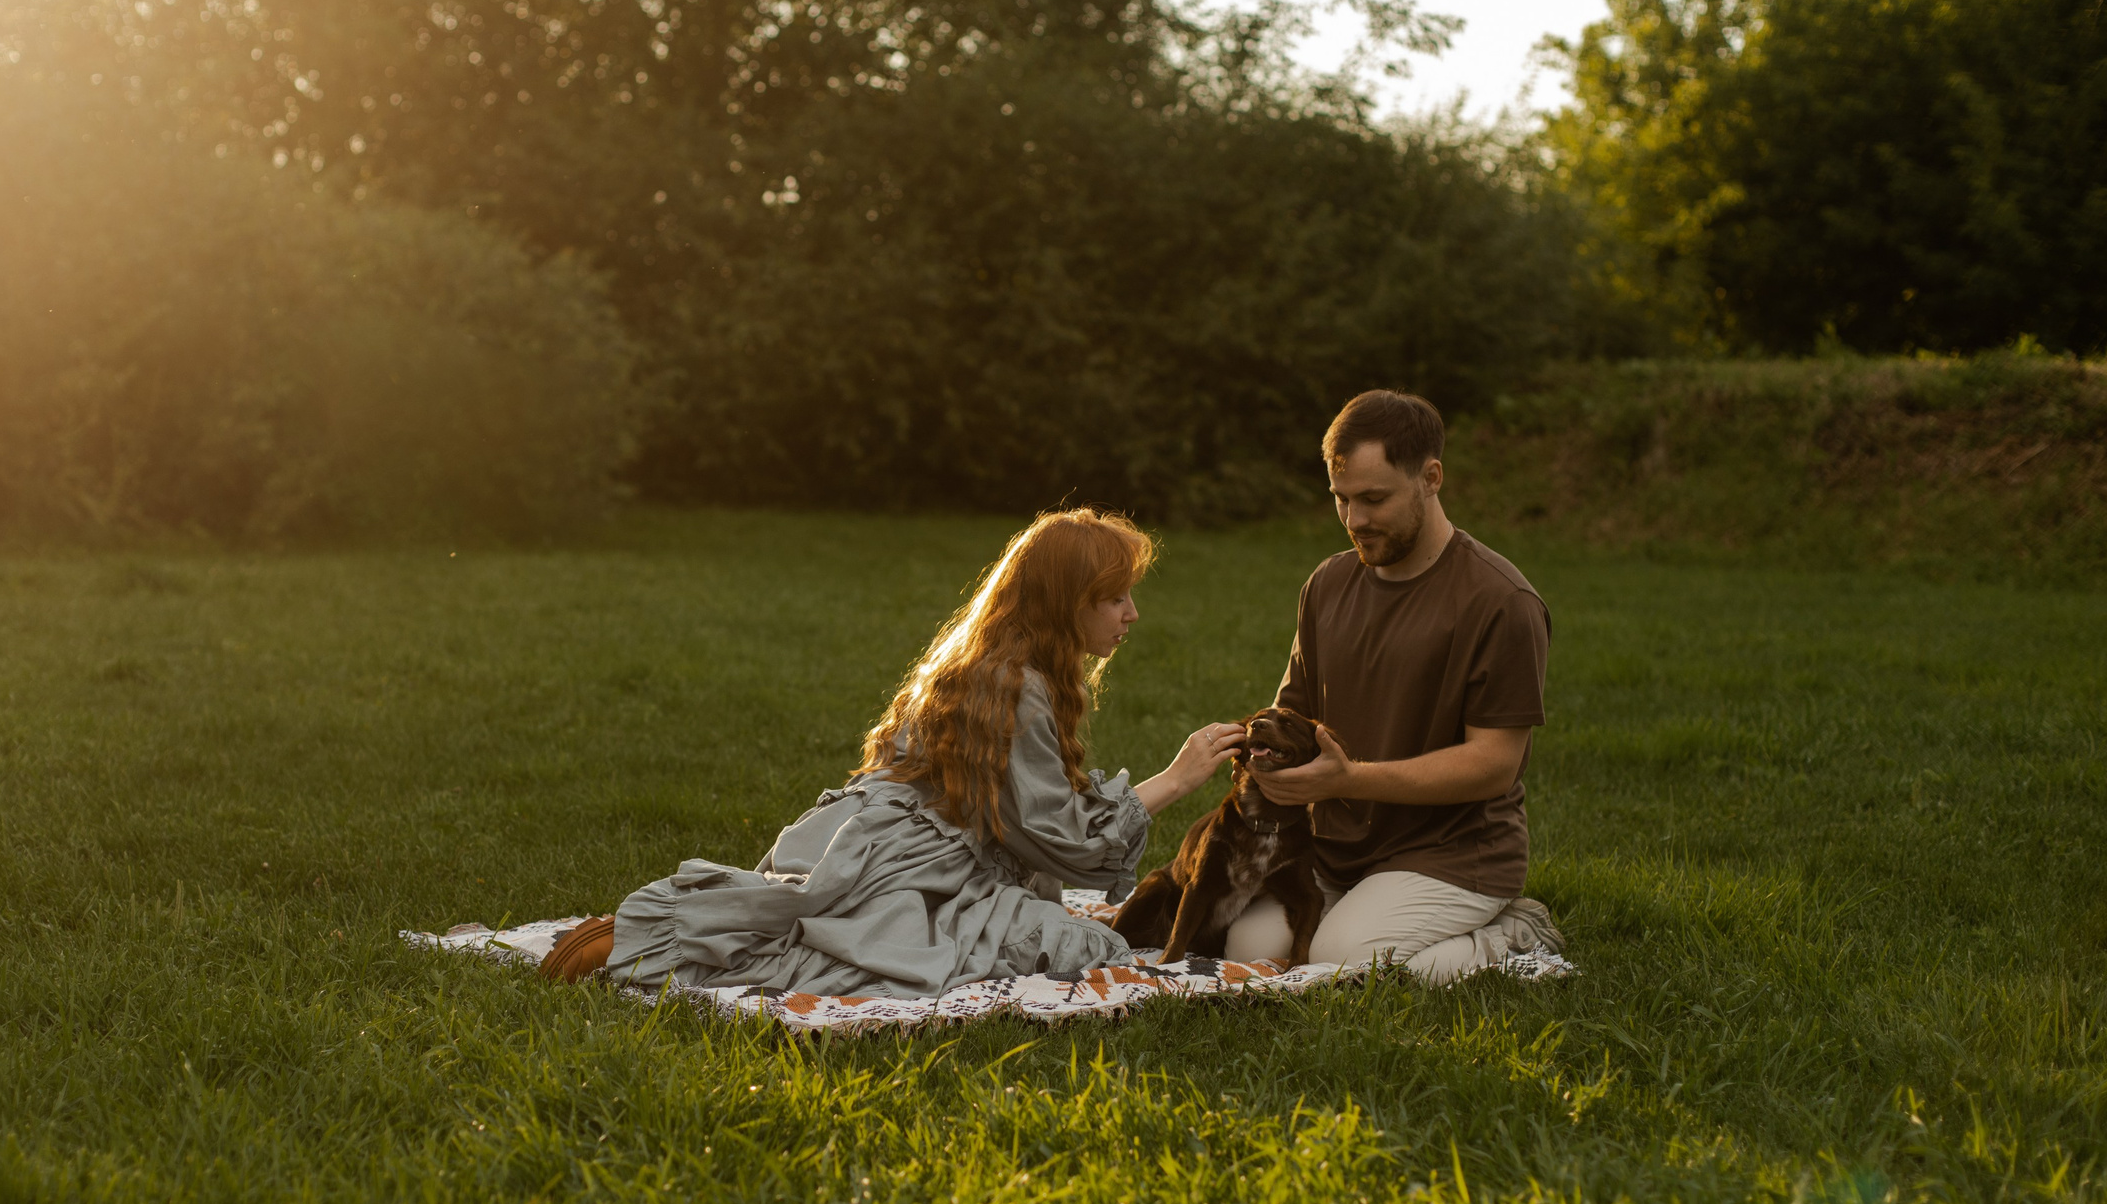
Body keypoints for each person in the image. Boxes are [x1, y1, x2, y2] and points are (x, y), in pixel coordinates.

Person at [547, 509, 1250, 996]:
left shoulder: (993, 661)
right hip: (917, 860)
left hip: (867, 835)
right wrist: (1177, 776)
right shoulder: (1017, 685)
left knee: (835, 925)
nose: (1132, 613)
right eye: (1115, 597)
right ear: (1069, 604)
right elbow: (1058, 835)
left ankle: (659, 933)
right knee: (1079, 948)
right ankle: (650, 938)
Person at [1233, 389, 1557, 984]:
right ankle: (1364, 917)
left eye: (1374, 499)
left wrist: (1350, 779)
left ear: (1430, 478)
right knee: (1248, 951)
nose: (1355, 520)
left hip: (1455, 855)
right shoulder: (1327, 583)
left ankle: (1513, 934)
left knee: (1343, 964)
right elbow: (1295, 712)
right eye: (1341, 499)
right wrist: (1251, 752)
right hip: (1338, 847)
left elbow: (1493, 766)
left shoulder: (1501, 602)